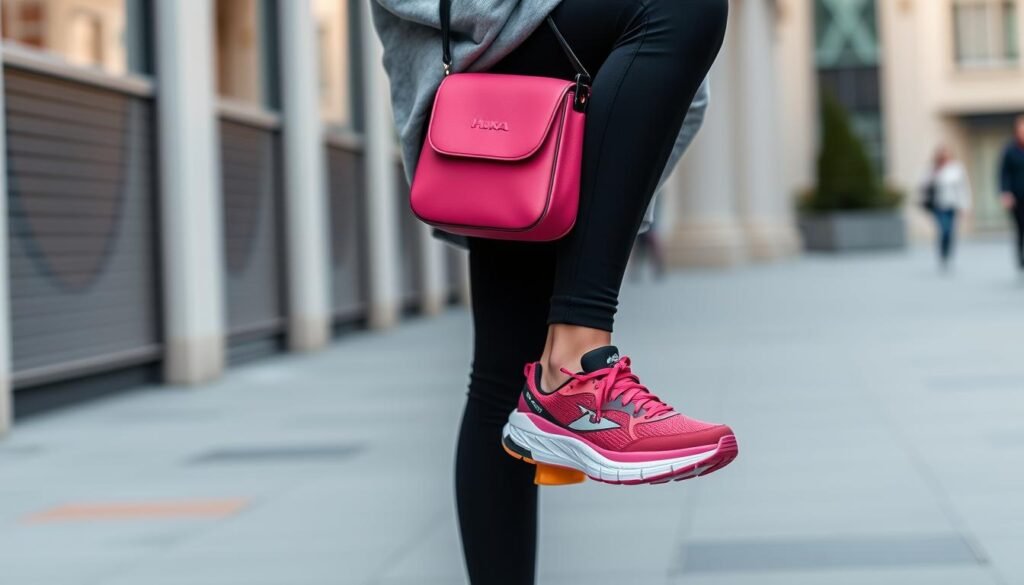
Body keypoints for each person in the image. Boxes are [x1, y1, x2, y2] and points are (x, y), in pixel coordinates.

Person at [372, 2, 733, 584]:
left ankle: (560, 377)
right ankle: (575, 364)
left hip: (525, 51)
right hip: (486, 34)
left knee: (502, 378)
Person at [922, 145, 972, 268]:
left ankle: (948, 253)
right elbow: (923, 185)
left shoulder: (956, 168)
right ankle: (943, 253)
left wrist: (965, 205)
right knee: (943, 230)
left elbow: (963, 188)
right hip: (938, 205)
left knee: (950, 231)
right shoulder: (932, 169)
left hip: (952, 204)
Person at [1000, 115, 1024, 271]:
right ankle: (1020, 257)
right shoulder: (1010, 149)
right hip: (1017, 196)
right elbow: (1003, 173)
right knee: (1020, 228)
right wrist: (1005, 192)